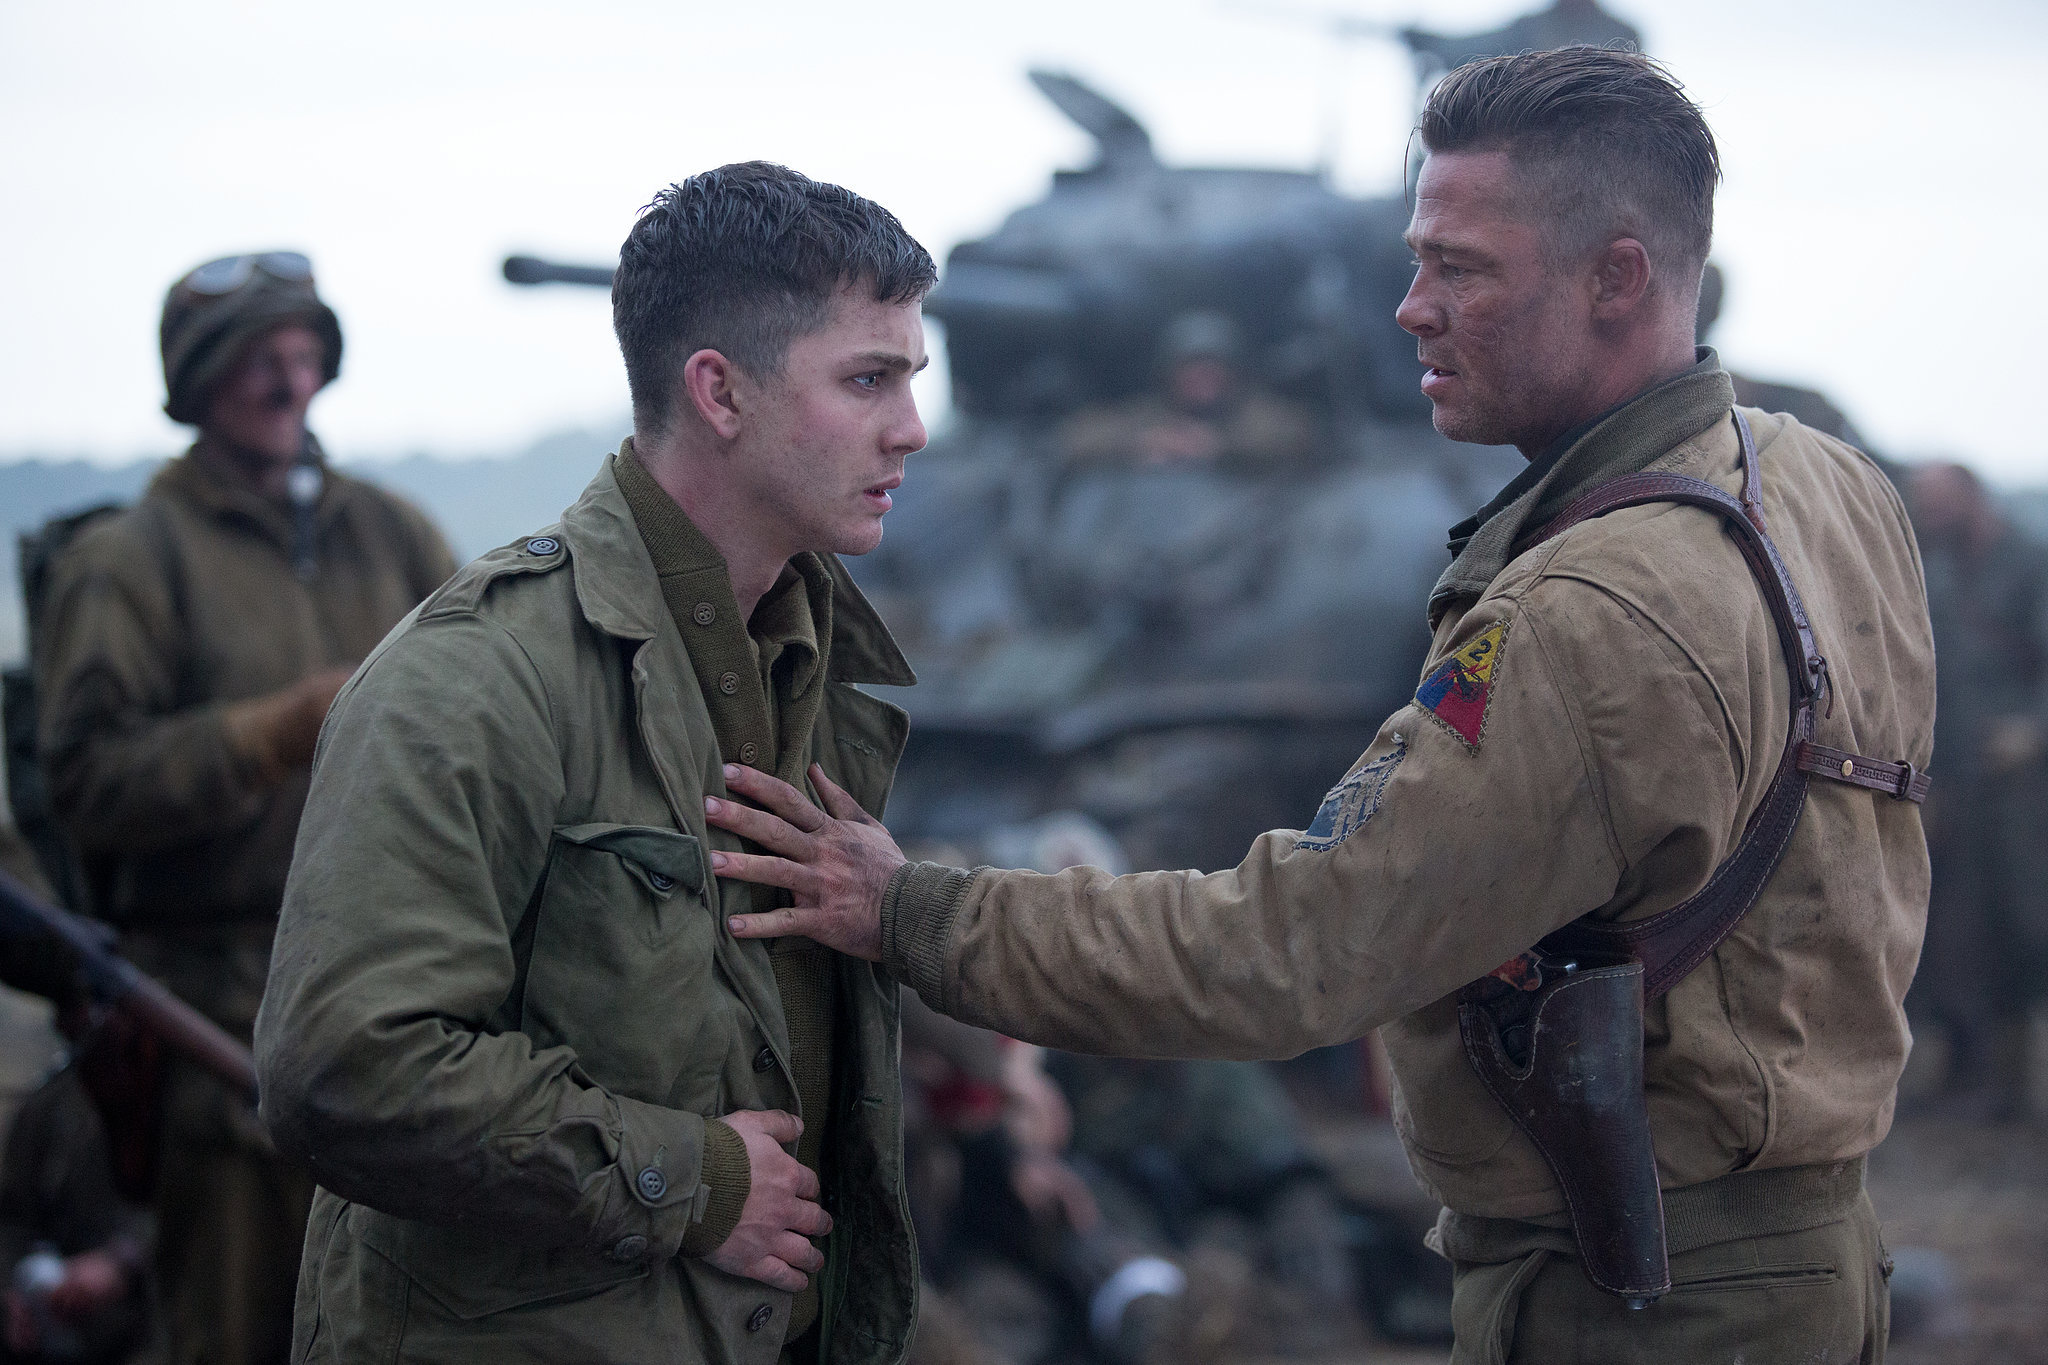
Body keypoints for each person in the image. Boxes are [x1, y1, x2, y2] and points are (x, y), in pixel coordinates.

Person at [701, 50, 1933, 1363]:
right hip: (1803, 1237)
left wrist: (911, 909)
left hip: (1640, 1304)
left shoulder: (1583, 612)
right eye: (1414, 261)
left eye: (1461, 269)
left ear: (1617, 278)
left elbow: (1293, 947)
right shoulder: (1823, 485)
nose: (1410, 309)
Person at [254, 163, 935, 1364]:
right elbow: (348, 1068)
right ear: (718, 392)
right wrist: (688, 1179)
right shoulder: (478, 677)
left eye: (909, 378)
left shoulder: (808, 667)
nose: (910, 428)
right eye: (867, 379)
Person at [33, 253, 457, 1365]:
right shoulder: (128, 562)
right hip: (211, 1024)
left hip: (402, 999)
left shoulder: (393, 535)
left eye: (304, 353)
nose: (288, 380)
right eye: (257, 358)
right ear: (199, 380)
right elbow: (86, 784)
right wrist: (272, 732)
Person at [1904, 461, 2048, 1119]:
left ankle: (2014, 1079)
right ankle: (1967, 1069)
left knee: (2021, 920)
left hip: (2020, 788)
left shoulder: (2029, 563)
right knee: (1954, 925)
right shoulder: (1936, 570)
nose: (1929, 516)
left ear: (1970, 497)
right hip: (1953, 775)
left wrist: (2034, 732)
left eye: (1939, 504)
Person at [1057, 312, 1318, 468]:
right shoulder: (1151, 414)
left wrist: (1219, 446)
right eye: (1191, 368)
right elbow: (1074, 438)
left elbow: (1298, 435)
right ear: (1169, 375)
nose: (1203, 378)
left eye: (1212, 368)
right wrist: (1142, 442)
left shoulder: (1252, 412)